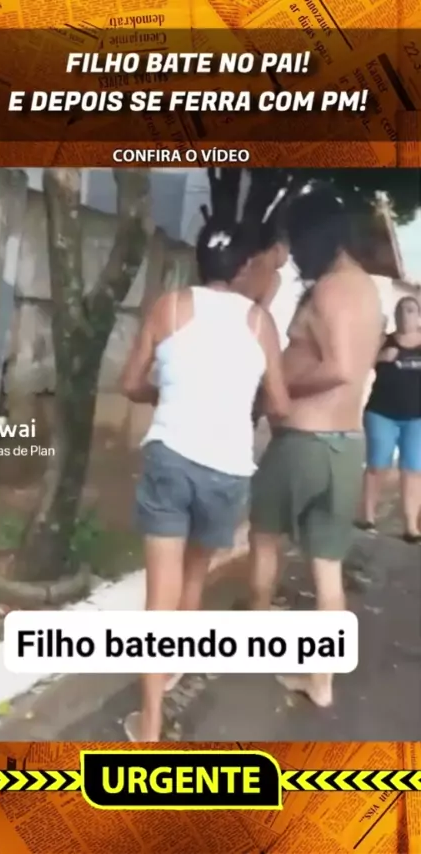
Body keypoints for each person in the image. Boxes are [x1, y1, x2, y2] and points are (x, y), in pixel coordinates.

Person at [120, 218, 290, 741]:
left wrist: (164, 393)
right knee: (194, 577)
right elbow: (281, 405)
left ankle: (149, 723)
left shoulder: (169, 307)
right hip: (226, 468)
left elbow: (130, 383)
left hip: (171, 457)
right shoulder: (260, 323)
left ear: (198, 259)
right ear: (242, 267)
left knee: (160, 595)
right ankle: (173, 667)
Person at [249, 185, 384, 708]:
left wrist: (280, 387)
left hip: (305, 442)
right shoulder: (366, 289)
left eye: (297, 241)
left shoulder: (331, 290)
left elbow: (340, 368)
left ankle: (256, 638)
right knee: (327, 568)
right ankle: (321, 681)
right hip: (346, 445)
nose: (296, 257)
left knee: (264, 537)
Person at [357, 296, 421, 543]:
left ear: (419, 316)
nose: (405, 314)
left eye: (411, 310)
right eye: (401, 310)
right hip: (382, 413)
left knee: (413, 470)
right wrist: (381, 357)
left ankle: (411, 526)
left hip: (417, 418)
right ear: (395, 316)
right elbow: (360, 364)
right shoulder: (385, 341)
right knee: (377, 466)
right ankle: (367, 517)